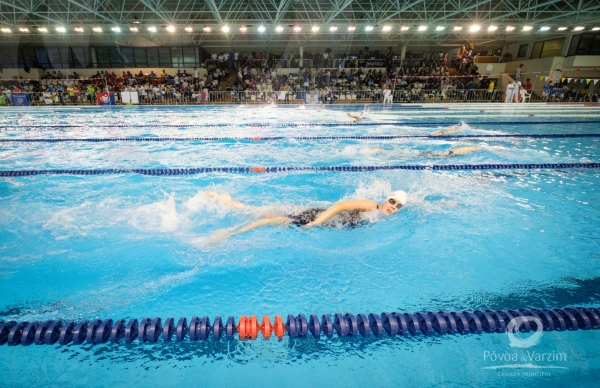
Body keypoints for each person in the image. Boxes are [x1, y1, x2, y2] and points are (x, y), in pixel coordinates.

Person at [206, 190, 408, 242]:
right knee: (276, 221)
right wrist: (316, 222)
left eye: (398, 206)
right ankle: (228, 233)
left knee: (263, 212)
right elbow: (339, 205)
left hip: (322, 219)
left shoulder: (378, 216)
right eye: (392, 201)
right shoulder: (370, 205)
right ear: (386, 199)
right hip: (318, 217)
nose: (393, 207)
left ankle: (228, 201)